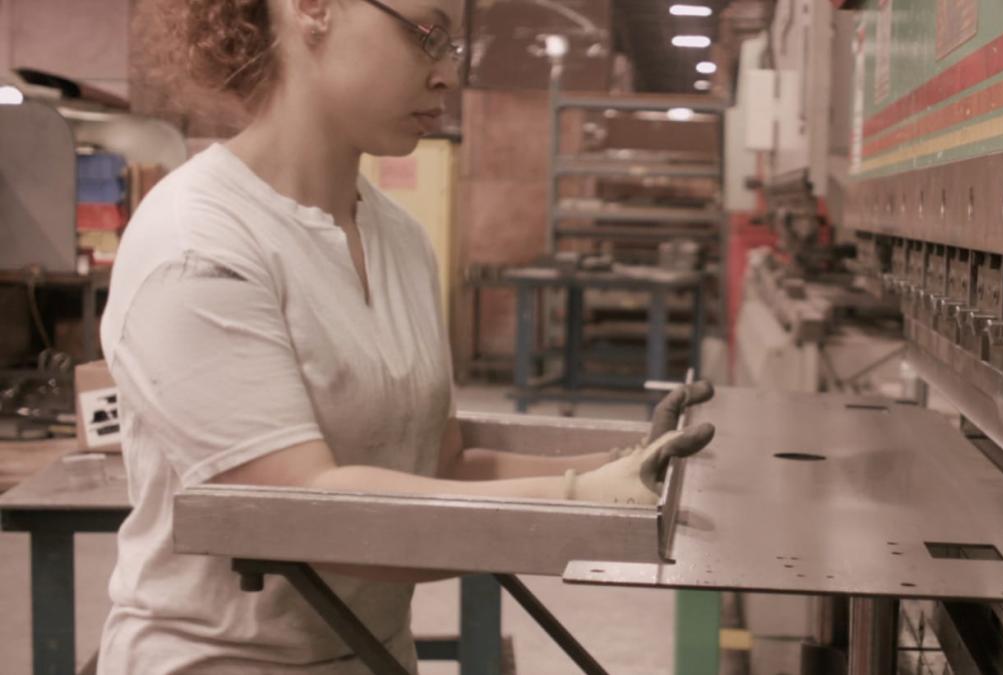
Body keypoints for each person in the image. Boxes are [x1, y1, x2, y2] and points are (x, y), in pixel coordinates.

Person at [97, 0, 716, 672]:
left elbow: (437, 466)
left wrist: (625, 467)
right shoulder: (198, 244)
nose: (448, 73)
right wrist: (579, 501)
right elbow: (302, 514)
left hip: (374, 654)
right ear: (313, 10)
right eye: (428, 35)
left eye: (454, 46)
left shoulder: (401, 237)